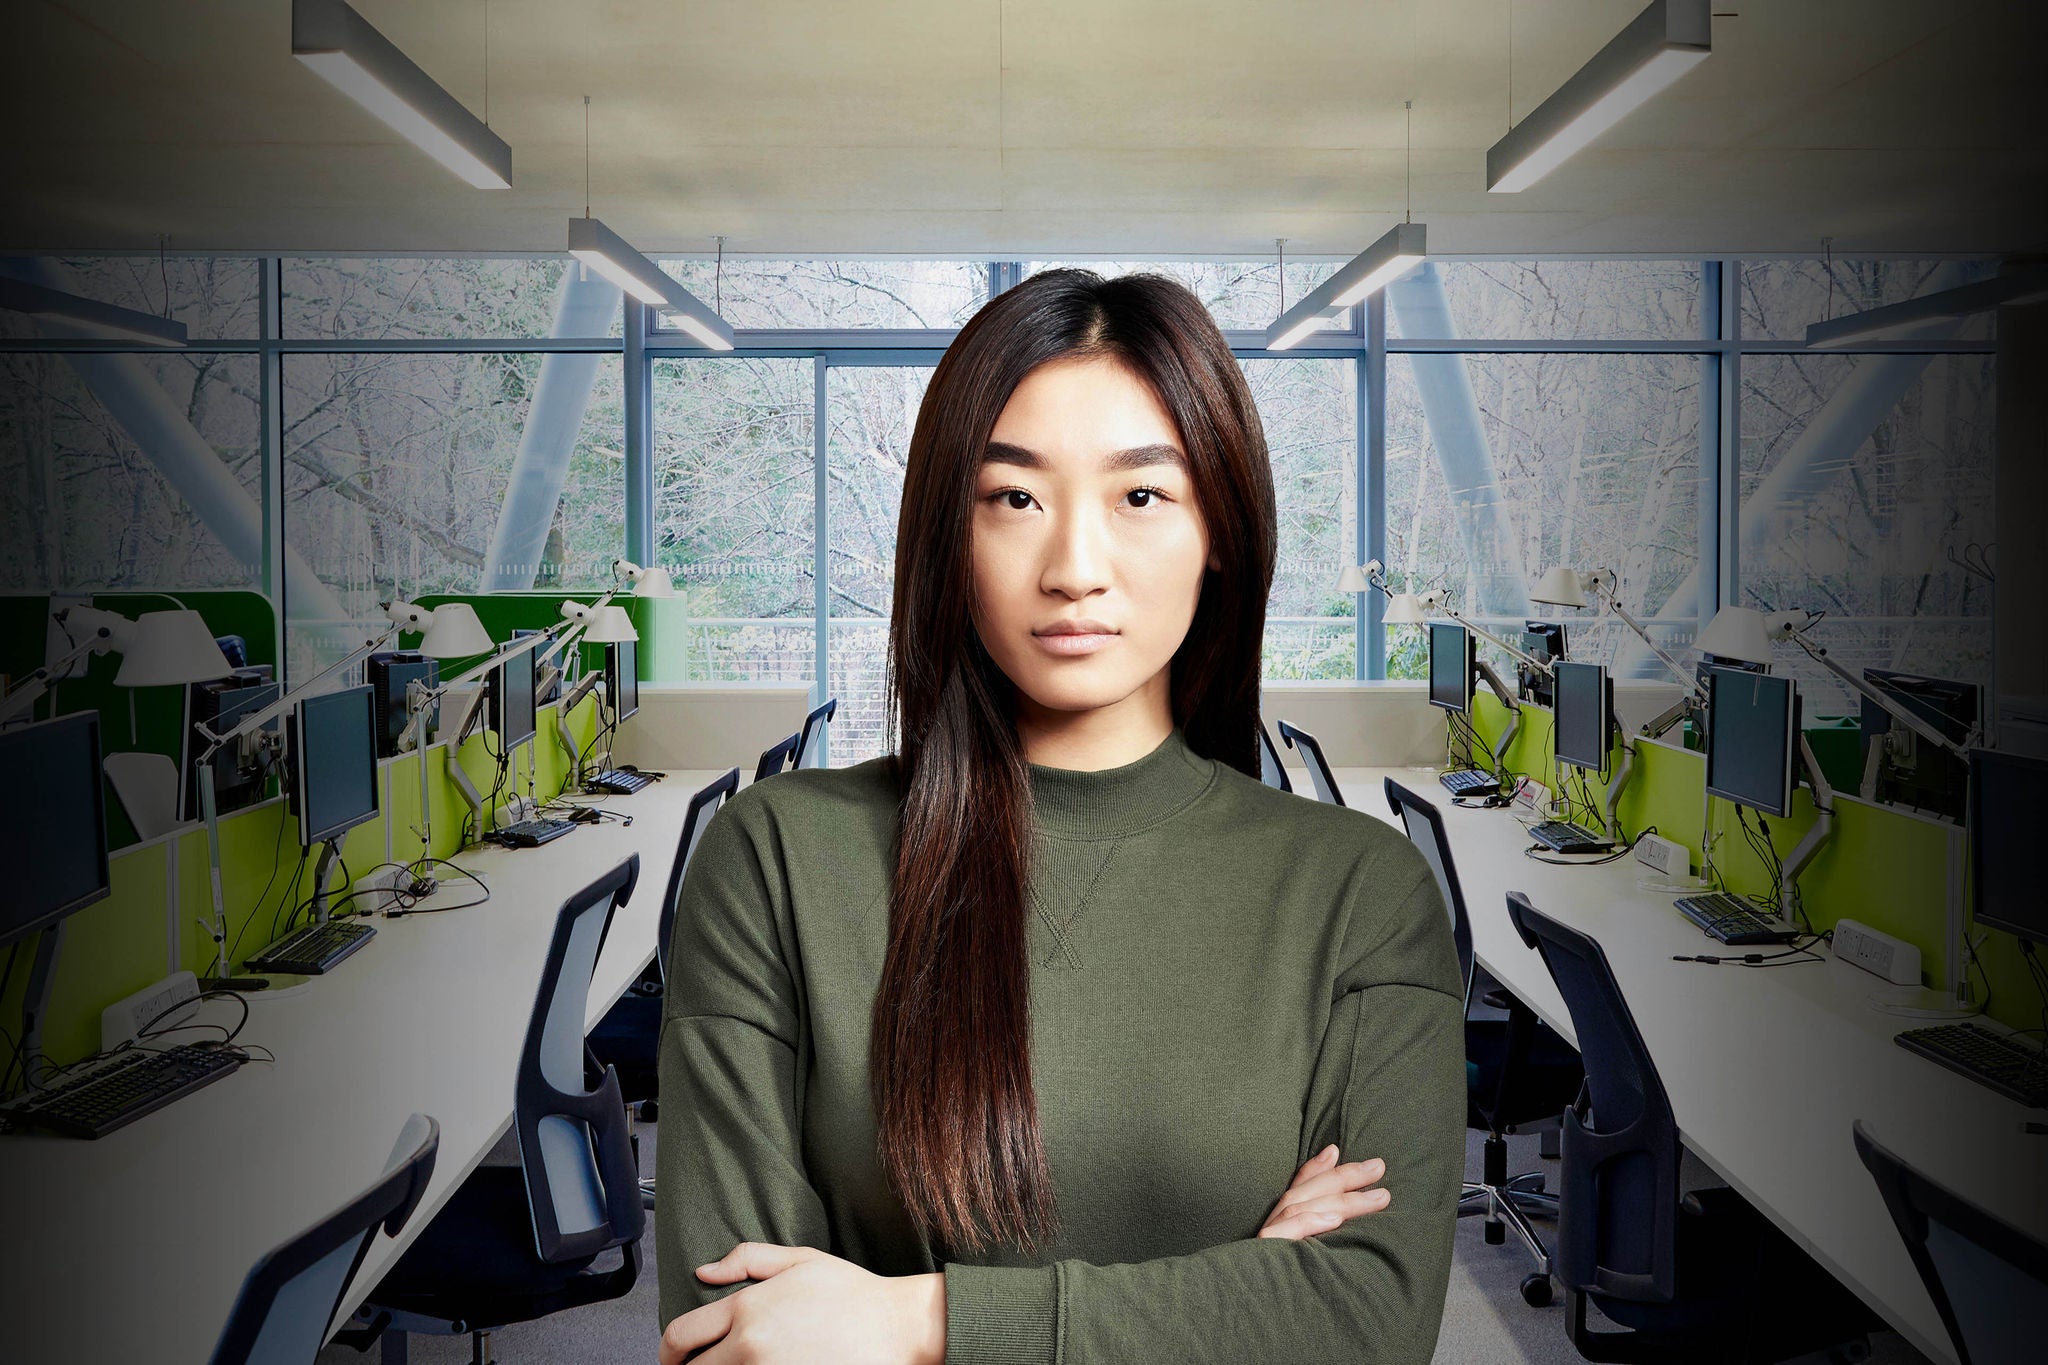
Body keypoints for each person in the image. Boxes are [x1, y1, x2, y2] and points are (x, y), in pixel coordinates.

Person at [655, 268, 1465, 1364]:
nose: (1074, 569)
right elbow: (736, 1341)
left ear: (1217, 526)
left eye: (1140, 496)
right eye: (1014, 499)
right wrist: (1241, 1297)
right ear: (952, 533)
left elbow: (1365, 1323)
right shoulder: (779, 861)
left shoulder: (1358, 894)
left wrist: (916, 1320)